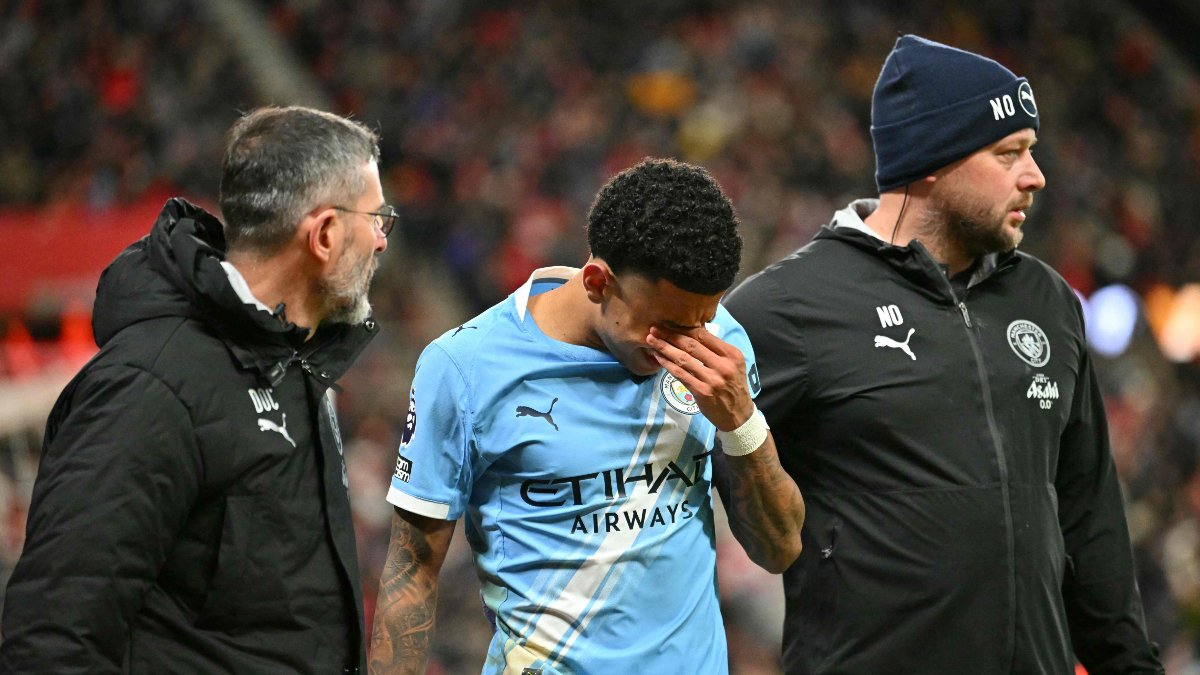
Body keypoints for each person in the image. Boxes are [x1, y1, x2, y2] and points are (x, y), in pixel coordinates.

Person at [723, 35, 1163, 675]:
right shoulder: (787, 308)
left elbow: (1091, 525)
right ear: (931, 162)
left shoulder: (1047, 300)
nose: (1034, 176)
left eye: (1031, 152)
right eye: (1008, 153)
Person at [368, 158, 805, 675]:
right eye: (665, 325)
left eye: (703, 319)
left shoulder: (720, 347)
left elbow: (779, 549)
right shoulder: (465, 369)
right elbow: (413, 571)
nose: (689, 342)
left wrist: (741, 422)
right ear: (597, 282)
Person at [0, 106, 393, 674]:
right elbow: (54, 639)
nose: (382, 240)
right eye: (376, 217)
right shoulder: (151, 386)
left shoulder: (290, 366)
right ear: (325, 233)